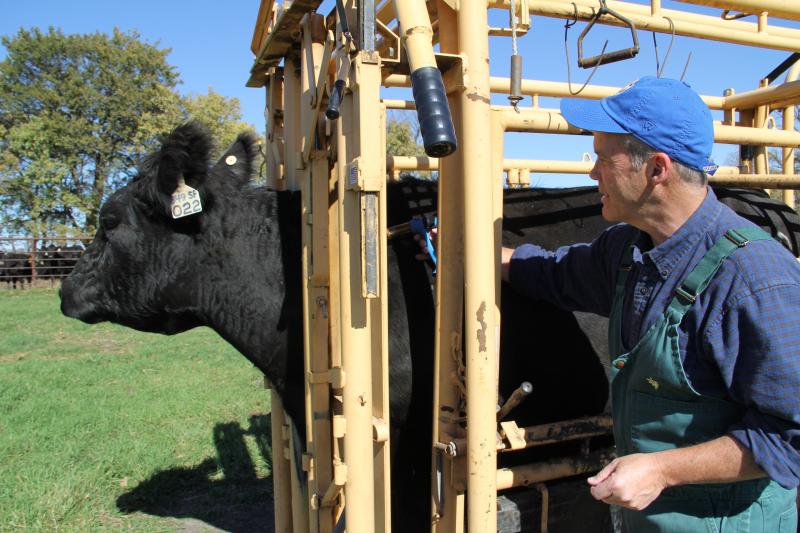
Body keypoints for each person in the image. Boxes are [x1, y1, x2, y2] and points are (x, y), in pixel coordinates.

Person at [498, 76, 800, 531]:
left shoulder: (756, 279)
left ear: (657, 169)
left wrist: (661, 469)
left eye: (603, 158)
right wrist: (483, 254)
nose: (591, 173)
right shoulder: (627, 249)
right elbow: (555, 274)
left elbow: (792, 437)